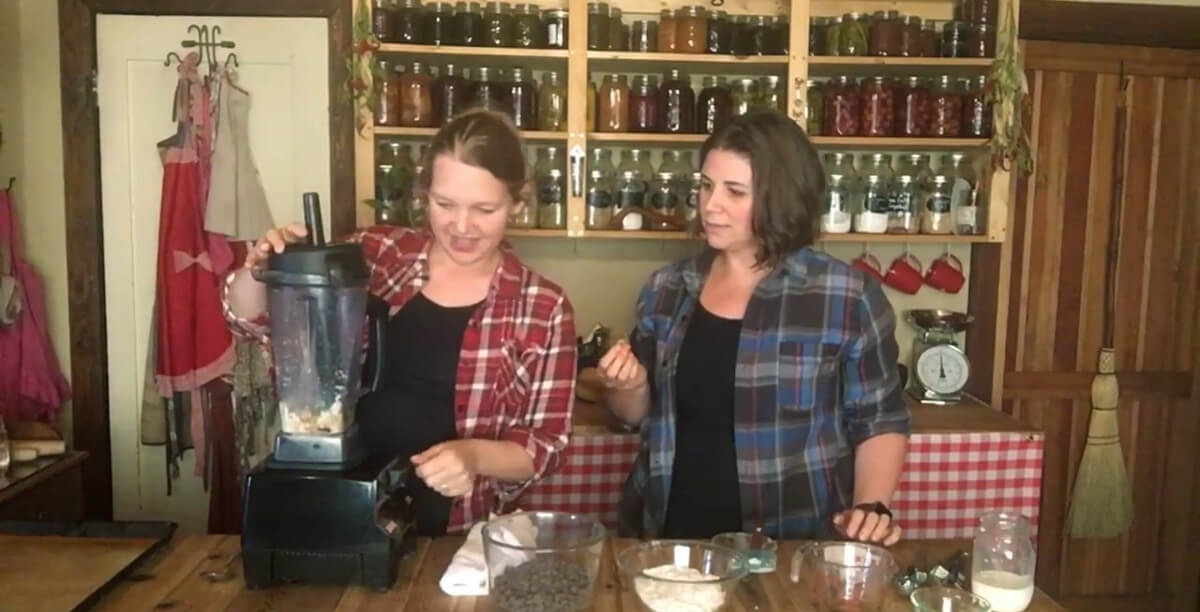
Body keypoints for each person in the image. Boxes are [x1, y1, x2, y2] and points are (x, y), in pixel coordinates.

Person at [223, 110, 577, 536]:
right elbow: (249, 319)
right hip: (335, 503)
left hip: (457, 528)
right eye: (444, 204)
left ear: (517, 203)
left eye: (484, 209)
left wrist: (474, 456)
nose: (461, 226)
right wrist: (264, 269)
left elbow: (546, 445)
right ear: (424, 193)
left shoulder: (543, 306)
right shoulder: (374, 253)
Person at [599, 111, 909, 545]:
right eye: (706, 186)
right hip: (671, 538)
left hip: (792, 546)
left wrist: (870, 507)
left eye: (734, 192)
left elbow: (879, 420)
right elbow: (635, 416)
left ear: (780, 197)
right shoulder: (668, 289)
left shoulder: (845, 297)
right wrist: (626, 385)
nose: (710, 205)